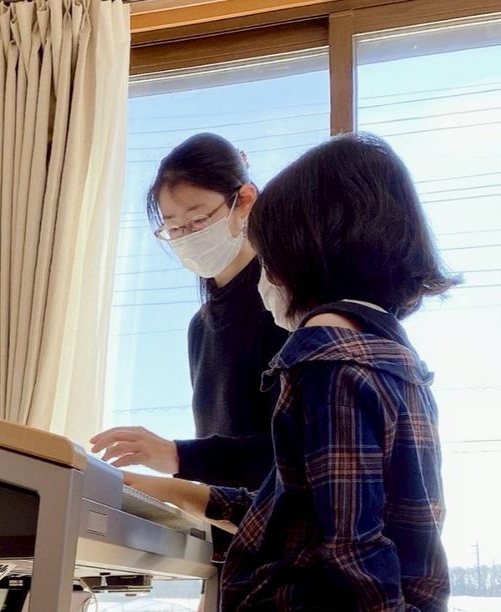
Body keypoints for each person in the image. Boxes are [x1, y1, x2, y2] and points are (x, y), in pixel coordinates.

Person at [124, 133, 454, 611]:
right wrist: (172, 490)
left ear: (306, 254)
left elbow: (350, 555)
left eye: (269, 254)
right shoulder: (389, 354)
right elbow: (298, 511)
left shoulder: (327, 359)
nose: (265, 275)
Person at [90, 133, 288, 512]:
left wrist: (176, 456)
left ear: (244, 201)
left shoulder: (282, 305)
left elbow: (297, 453)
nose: (187, 237)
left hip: (285, 531)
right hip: (232, 530)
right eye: (174, 228)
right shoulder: (201, 327)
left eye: (197, 220)